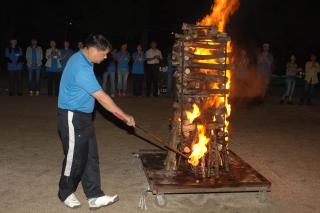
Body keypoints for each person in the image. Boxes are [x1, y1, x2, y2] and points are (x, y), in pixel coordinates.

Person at [57, 34, 135, 210]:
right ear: (92, 50)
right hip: (72, 116)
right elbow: (101, 97)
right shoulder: (80, 67)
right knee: (75, 157)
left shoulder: (85, 60)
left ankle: (94, 195)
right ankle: (65, 191)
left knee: (90, 155)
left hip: (83, 116)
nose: (106, 57)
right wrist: (124, 116)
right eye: (104, 54)